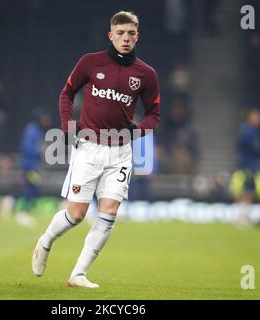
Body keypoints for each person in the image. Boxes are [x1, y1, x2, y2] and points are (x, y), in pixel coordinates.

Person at [31, 11, 160, 288]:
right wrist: (67, 126)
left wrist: (137, 131)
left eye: (131, 34)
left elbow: (154, 114)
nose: (126, 38)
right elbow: (67, 93)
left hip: (121, 152)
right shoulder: (90, 62)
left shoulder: (146, 74)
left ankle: (78, 274)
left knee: (109, 212)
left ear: (137, 36)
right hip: (89, 148)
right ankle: (45, 241)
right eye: (121, 33)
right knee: (76, 215)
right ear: (111, 35)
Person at [229, 108, 260, 226]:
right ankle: (242, 217)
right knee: (247, 190)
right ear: (250, 117)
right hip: (248, 165)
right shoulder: (248, 130)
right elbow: (255, 148)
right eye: (256, 116)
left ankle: (243, 216)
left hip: (248, 164)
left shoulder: (250, 130)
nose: (259, 118)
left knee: (249, 191)